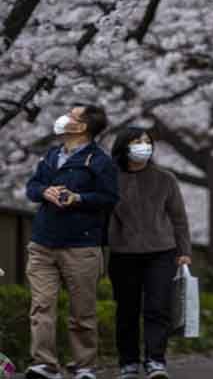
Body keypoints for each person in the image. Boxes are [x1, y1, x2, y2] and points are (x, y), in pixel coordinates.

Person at [24, 105, 119, 379]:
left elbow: (110, 198)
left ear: (82, 127)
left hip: (81, 246)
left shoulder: (100, 162)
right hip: (42, 242)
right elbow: (32, 187)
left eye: (72, 115)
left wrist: (78, 198)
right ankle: (44, 363)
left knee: (82, 311)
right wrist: (45, 191)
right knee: (42, 306)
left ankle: (85, 365)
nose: (64, 117)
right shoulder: (51, 155)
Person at [108, 127, 192, 379]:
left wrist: (184, 251)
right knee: (126, 309)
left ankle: (156, 360)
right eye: (137, 142)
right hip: (123, 252)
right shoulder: (110, 179)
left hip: (162, 252)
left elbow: (179, 218)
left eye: (147, 142)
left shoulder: (165, 178)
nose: (144, 146)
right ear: (124, 147)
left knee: (158, 308)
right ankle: (128, 363)